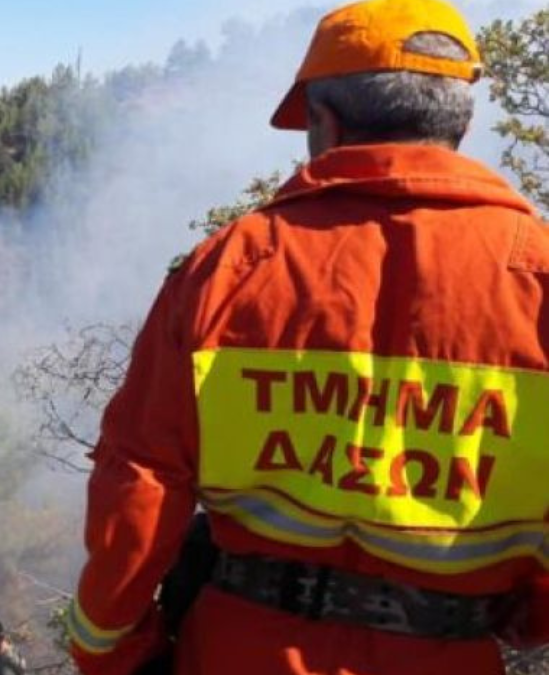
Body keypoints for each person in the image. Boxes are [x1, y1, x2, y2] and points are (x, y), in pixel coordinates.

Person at [63, 1, 548, 674]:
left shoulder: (228, 268)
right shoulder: (539, 278)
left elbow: (140, 480)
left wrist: (111, 647)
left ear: (325, 120)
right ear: (460, 118)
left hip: (238, 650)